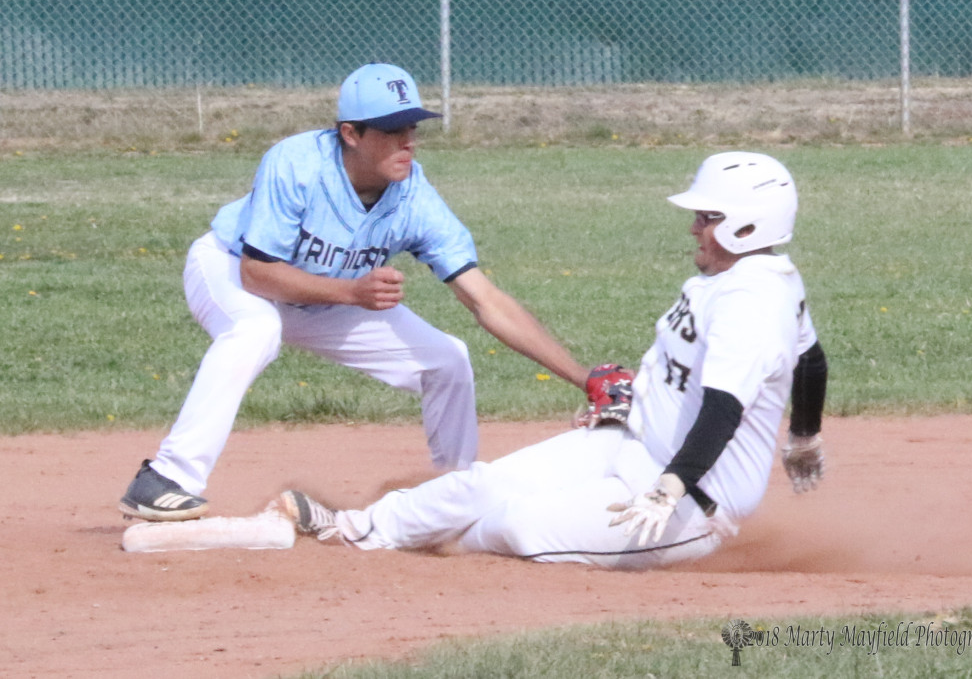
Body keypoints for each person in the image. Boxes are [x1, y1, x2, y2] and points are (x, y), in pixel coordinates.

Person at [279, 151, 829, 570]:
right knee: (483, 485)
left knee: (517, 528)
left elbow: (723, 409)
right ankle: (352, 528)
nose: (693, 227)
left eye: (707, 216)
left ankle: (434, 550)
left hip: (692, 501)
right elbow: (811, 358)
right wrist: (804, 437)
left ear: (747, 226)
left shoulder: (753, 302)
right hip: (630, 443)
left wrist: (670, 486)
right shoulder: (747, 278)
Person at [119, 62, 609, 522]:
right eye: (393, 129)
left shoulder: (415, 199)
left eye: (413, 127)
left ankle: (456, 493)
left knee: (448, 359)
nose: (408, 141)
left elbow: (485, 299)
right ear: (349, 134)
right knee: (256, 329)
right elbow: (257, 274)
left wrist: (585, 378)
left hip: (328, 297)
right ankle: (165, 477)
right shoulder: (296, 163)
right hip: (230, 271)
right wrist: (352, 292)